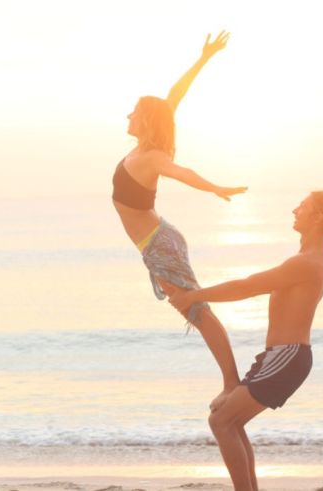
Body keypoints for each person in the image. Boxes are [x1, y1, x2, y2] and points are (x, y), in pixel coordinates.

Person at [169, 190, 323, 491]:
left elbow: (246, 287)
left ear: (318, 217)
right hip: (280, 357)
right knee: (229, 422)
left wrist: (193, 296)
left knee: (222, 422)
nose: (294, 210)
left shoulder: (306, 263)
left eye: (302, 206)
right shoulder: (305, 260)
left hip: (287, 358)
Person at [112, 31, 246, 394]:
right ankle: (231, 380)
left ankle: (232, 382)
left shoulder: (154, 157)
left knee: (197, 311)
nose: (129, 115)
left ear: (146, 120)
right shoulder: (143, 150)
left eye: (135, 112)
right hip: (157, 241)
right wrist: (203, 59)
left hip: (159, 245)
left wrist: (215, 187)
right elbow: (175, 95)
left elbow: (183, 173)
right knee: (195, 309)